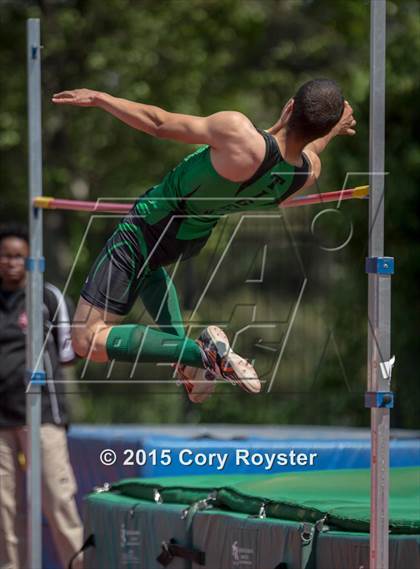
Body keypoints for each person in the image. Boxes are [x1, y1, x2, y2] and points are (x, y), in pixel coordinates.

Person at [52, 78, 356, 403]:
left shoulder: (237, 131)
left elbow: (158, 123)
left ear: (290, 106)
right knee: (148, 269)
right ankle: (188, 357)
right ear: (320, 130)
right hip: (188, 238)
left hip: (151, 224)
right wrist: (331, 131)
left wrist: (101, 97)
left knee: (86, 340)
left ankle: (201, 354)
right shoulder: (304, 176)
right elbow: (301, 151)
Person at [0, 224, 84, 569]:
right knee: (3, 510)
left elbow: (69, 352)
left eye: (19, 256)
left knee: (58, 501)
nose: (11, 262)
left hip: (43, 416)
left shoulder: (48, 297)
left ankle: (77, 565)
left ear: (32, 260)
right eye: (5, 256)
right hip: (1, 422)